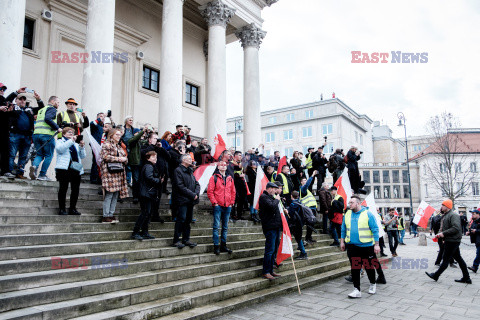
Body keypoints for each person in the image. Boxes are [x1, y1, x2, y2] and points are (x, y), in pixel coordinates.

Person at [341, 195, 381, 298]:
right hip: (352, 246)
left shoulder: (368, 214)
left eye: (351, 203)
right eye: (349, 203)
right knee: (355, 268)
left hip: (366, 246)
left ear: (358, 203)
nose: (349, 204)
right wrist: (342, 242)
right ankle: (356, 290)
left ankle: (372, 284)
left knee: (368, 267)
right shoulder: (347, 214)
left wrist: (376, 245)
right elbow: (343, 229)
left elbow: (375, 230)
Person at [425, 199, 472, 284]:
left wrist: (444, 233)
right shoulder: (446, 215)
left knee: (446, 259)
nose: (441, 207)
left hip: (453, 241)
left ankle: (436, 275)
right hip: (450, 240)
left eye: (443, 205)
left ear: (447, 206)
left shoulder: (453, 215)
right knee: (459, 259)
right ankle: (466, 278)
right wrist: (441, 236)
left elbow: (456, 228)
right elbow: (444, 227)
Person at [5, 92, 44, 179]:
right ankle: (9, 172)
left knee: (23, 156)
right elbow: (6, 100)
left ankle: (20, 173)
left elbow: (41, 108)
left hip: (26, 136)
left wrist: (38, 100)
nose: (22, 101)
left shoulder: (29, 109)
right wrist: (16, 93)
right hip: (15, 134)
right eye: (20, 99)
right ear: (16, 100)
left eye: (24, 99)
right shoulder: (13, 108)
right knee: (12, 154)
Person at [131, 151, 163, 240]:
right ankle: (135, 232)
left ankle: (144, 232)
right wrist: (159, 180)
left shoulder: (149, 166)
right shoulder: (148, 166)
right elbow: (149, 177)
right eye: (153, 157)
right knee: (145, 213)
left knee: (147, 214)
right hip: (146, 193)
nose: (155, 159)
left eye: (156, 157)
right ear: (148, 158)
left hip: (147, 193)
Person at [54, 127, 85, 215]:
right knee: (63, 189)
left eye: (72, 133)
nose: (71, 134)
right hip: (64, 169)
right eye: (69, 132)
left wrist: (82, 147)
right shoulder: (60, 141)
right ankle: (62, 209)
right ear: (64, 134)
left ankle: (72, 208)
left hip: (75, 168)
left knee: (75, 190)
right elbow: (60, 150)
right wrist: (71, 141)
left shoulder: (75, 143)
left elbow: (82, 156)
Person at [171, 154, 200, 249]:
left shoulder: (190, 171)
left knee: (188, 220)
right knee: (181, 219)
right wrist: (192, 194)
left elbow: (197, 184)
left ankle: (186, 239)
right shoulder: (178, 171)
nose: (191, 160)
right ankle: (176, 240)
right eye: (188, 159)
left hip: (190, 200)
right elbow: (180, 186)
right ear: (183, 160)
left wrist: (196, 193)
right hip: (182, 200)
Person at [207, 161, 236, 255]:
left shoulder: (230, 178)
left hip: (228, 205)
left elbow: (233, 192)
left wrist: (231, 203)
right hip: (218, 205)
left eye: (225, 165)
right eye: (221, 165)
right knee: (216, 226)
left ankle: (223, 245)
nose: (223, 166)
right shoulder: (214, 177)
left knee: (225, 227)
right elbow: (210, 191)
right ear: (218, 167)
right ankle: (216, 246)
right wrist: (214, 203)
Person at [100, 128, 129, 223]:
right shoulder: (107, 144)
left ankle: (111, 214)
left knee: (115, 195)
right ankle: (105, 215)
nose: (119, 136)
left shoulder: (119, 146)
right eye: (117, 135)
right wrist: (119, 159)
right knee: (109, 194)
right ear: (111, 135)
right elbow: (105, 156)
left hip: (119, 173)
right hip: (109, 173)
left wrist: (124, 159)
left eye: (120, 135)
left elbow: (124, 157)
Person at [140, 132, 170, 222]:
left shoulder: (159, 148)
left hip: (160, 177)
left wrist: (161, 148)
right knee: (149, 199)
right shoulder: (146, 147)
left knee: (158, 198)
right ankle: (147, 217)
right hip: (149, 177)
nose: (157, 140)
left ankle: (155, 215)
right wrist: (152, 146)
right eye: (155, 139)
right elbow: (143, 154)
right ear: (149, 139)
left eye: (157, 139)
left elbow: (169, 157)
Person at [31, 95, 62, 181]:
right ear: (53, 101)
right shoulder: (52, 109)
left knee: (39, 154)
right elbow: (47, 119)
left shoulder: (41, 110)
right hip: (47, 135)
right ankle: (42, 174)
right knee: (49, 155)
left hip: (36, 134)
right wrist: (57, 128)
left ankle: (34, 167)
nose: (59, 104)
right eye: (58, 102)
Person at [259, 182, 283, 280]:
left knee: (274, 250)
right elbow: (272, 207)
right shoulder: (264, 197)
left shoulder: (271, 198)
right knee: (269, 250)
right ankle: (266, 271)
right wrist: (277, 200)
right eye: (273, 189)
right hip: (270, 227)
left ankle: (271, 270)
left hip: (276, 226)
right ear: (269, 189)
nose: (275, 191)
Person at [0, 84, 24, 176]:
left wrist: (9, 111)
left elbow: (8, 101)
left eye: (3, 89)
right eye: (1, 89)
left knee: (5, 150)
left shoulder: (3, 100)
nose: (2, 91)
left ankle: (5, 171)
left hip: (4, 129)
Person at [126, 125, 148, 204]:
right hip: (135, 163)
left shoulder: (140, 142)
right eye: (137, 133)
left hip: (141, 163)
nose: (139, 134)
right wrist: (142, 131)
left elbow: (147, 142)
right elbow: (135, 139)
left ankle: (140, 195)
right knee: (136, 179)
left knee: (141, 180)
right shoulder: (131, 140)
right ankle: (135, 196)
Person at [299, 172, 318, 244]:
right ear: (301, 182)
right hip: (309, 209)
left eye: (306, 180)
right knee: (310, 224)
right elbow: (307, 184)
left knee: (311, 224)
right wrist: (312, 175)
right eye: (304, 180)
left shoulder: (306, 190)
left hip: (312, 209)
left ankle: (309, 237)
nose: (306, 181)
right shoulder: (303, 189)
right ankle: (307, 238)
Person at [288, 191, 308, 260]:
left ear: (291, 196)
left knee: (298, 238)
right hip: (300, 223)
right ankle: (301, 247)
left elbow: (290, 214)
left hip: (295, 224)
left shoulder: (293, 204)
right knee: (298, 238)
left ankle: (303, 253)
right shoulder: (300, 203)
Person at [231, 151, 248, 220]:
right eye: (239, 155)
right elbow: (235, 170)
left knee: (242, 199)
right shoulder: (231, 163)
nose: (241, 157)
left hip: (241, 183)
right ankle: (233, 214)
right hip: (235, 183)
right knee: (235, 199)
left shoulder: (241, 163)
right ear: (235, 156)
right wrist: (238, 175)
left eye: (241, 155)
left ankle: (239, 215)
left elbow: (243, 171)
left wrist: (244, 175)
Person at [89, 112, 105, 184]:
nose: (102, 118)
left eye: (103, 117)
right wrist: (99, 119)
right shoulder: (95, 125)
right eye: (100, 116)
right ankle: (93, 178)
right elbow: (92, 123)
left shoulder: (104, 126)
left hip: (103, 146)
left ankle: (99, 178)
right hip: (96, 146)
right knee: (95, 162)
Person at [466, 208, 480, 273]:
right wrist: (469, 233)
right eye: (472, 214)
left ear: (478, 214)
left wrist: (476, 231)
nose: (472, 215)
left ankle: (475, 266)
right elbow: (472, 230)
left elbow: (476, 230)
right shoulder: (474, 221)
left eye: (473, 214)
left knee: (478, 254)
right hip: (477, 241)